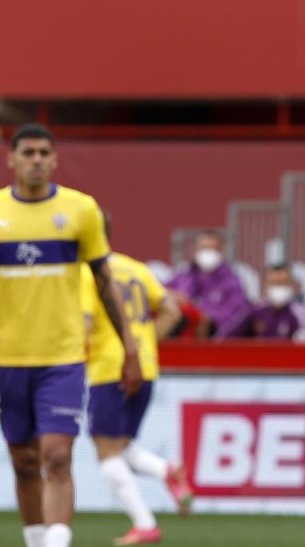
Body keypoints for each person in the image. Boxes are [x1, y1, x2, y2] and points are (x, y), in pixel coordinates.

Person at [1, 123, 143, 547]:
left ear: (55, 159)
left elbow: (104, 281)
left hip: (61, 358)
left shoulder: (81, 211)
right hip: (7, 360)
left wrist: (129, 347)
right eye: (28, 152)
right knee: (25, 462)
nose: (37, 160)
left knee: (58, 457)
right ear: (12, 159)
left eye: (45, 152)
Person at [81, 211, 192, 546]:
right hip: (145, 365)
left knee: (106, 451)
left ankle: (144, 524)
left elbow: (86, 322)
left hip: (109, 366)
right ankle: (165, 471)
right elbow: (173, 310)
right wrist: (145, 343)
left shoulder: (88, 272)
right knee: (119, 444)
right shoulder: (137, 268)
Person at [168, 230, 252, 340]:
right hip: (179, 337)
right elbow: (163, 294)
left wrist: (208, 319)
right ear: (196, 249)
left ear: (222, 250)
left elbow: (237, 315)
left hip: (213, 341)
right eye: (203, 248)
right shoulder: (183, 276)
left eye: (212, 248)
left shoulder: (232, 281)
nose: (207, 252)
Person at [246, 263, 305, 342]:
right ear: (265, 285)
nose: (278, 286)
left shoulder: (299, 313)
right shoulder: (254, 311)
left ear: (291, 285)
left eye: (283, 283)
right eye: (274, 282)